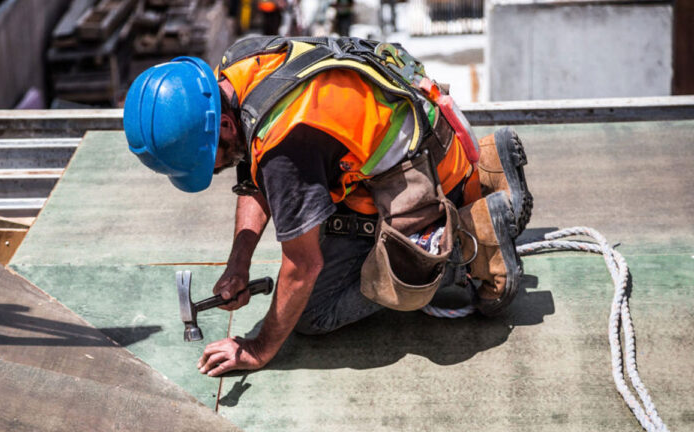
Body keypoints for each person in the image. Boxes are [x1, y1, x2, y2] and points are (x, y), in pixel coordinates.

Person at [123, 36, 533, 377]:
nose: (212, 173)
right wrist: (239, 263)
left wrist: (259, 348)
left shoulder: (287, 146)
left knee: (314, 313)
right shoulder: (240, 66)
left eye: (206, 162)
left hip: (423, 180)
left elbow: (303, 266)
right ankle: (489, 168)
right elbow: (254, 173)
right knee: (310, 219)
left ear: (225, 125)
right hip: (428, 138)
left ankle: (471, 240)